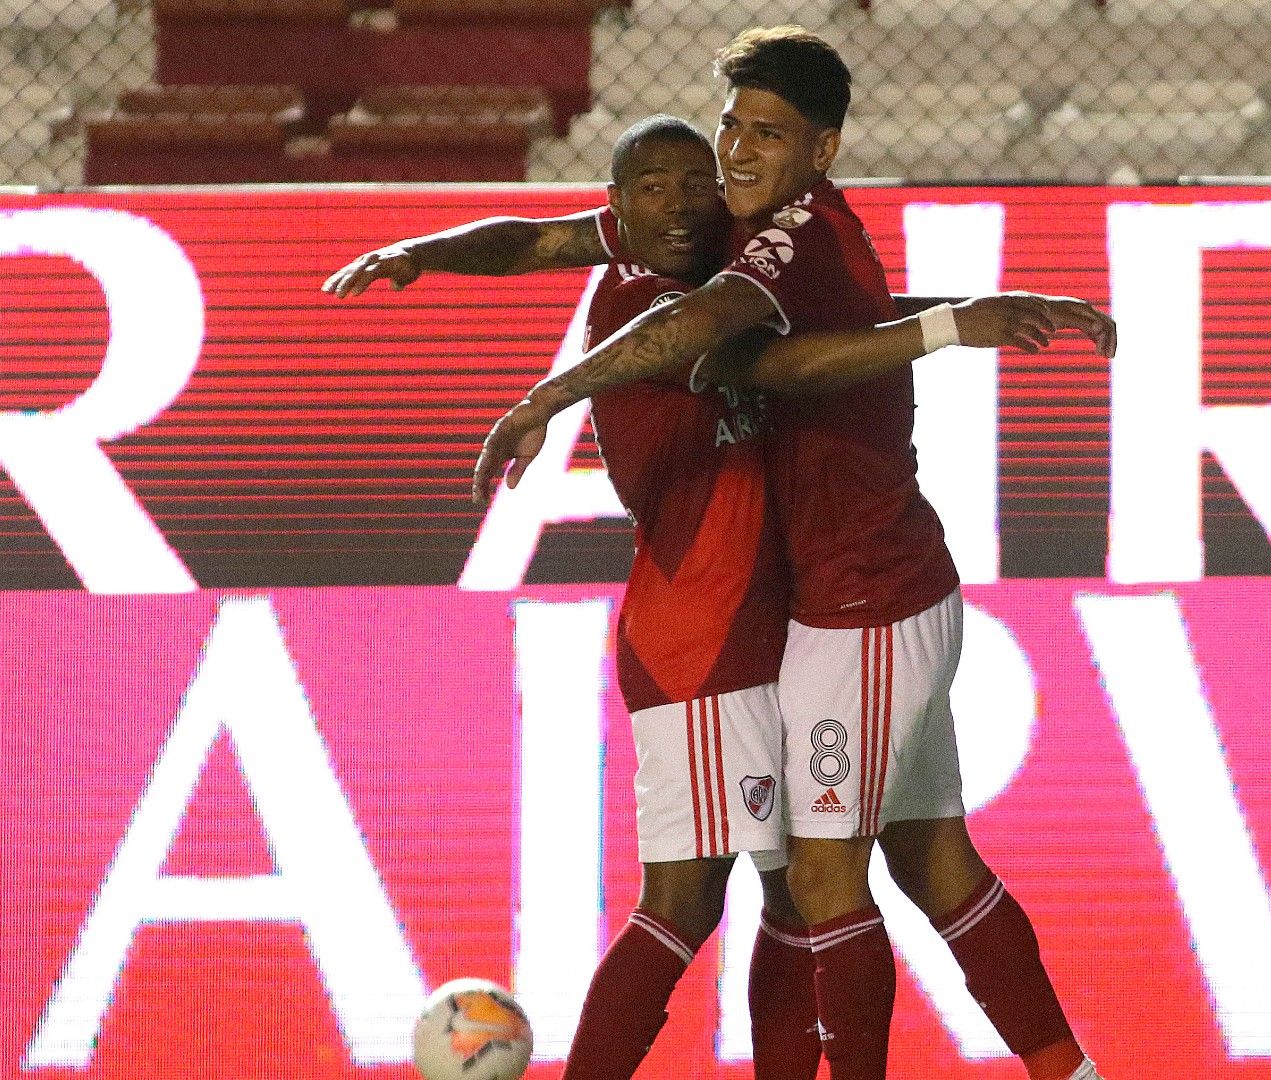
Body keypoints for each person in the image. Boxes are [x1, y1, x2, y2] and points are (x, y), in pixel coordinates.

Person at [468, 27, 1110, 1080]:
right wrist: (422, 257)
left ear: (823, 150)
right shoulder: (744, 225)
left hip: (859, 604)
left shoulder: (787, 240)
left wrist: (552, 392)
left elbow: (726, 335)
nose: (738, 149)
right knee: (933, 863)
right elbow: (561, 245)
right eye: (732, 124)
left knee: (818, 880)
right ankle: (1069, 1072)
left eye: (769, 132)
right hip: (875, 591)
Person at [325, 114, 1010, 1080]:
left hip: (779, 629)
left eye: (699, 183)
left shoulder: (727, 256)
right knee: (684, 904)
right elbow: (753, 342)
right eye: (653, 189)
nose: (684, 204)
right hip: (703, 631)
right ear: (617, 211)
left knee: (790, 893)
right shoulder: (648, 309)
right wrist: (526, 380)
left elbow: (525, 242)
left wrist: (424, 252)